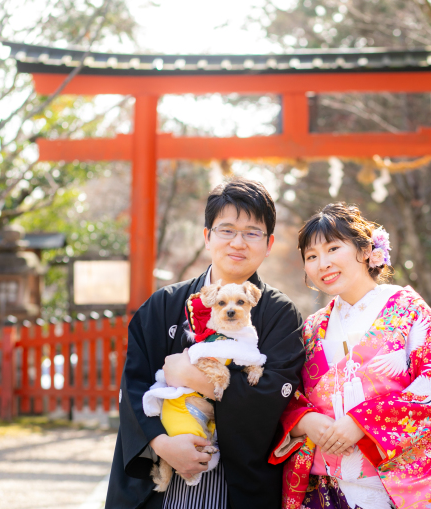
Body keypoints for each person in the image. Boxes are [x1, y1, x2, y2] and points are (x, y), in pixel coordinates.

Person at [106, 177, 305, 509]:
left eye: (252, 233)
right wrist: (161, 443)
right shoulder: (163, 304)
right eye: (227, 230)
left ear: (269, 243)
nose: (238, 243)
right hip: (162, 475)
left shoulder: (281, 313)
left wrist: (193, 378)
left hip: (237, 481)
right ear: (207, 236)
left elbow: (275, 393)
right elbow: (134, 384)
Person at [269, 203, 431, 509]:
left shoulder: (408, 310)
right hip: (323, 488)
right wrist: (305, 420)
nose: (323, 264)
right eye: (311, 256)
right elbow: (285, 393)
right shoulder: (312, 328)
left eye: (333, 248)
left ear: (365, 249)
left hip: (390, 488)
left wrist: (362, 422)